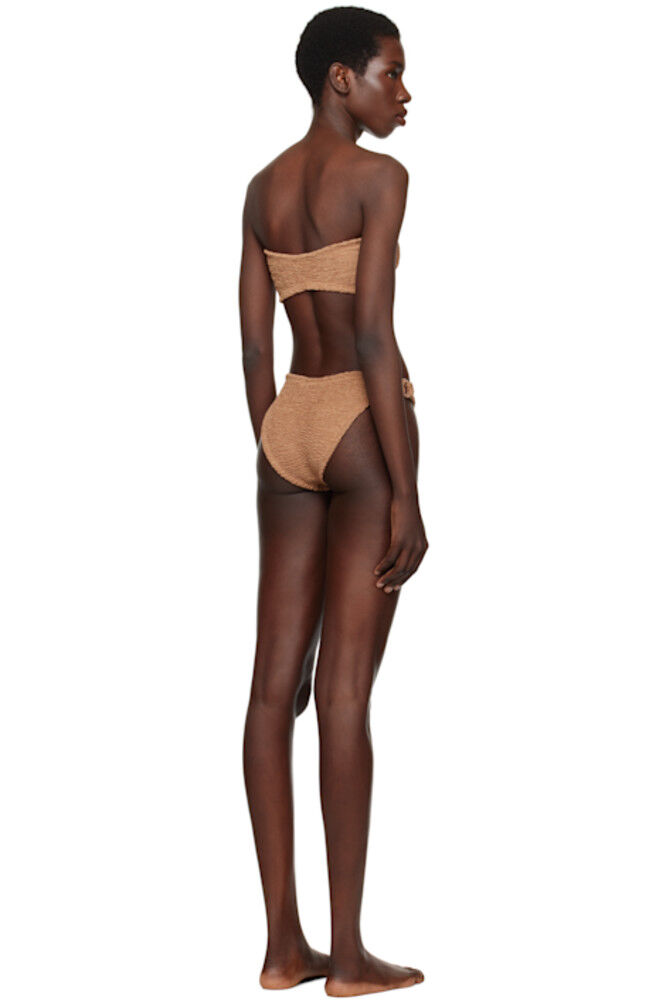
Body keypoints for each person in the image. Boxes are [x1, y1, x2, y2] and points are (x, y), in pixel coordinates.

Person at [239, 7, 428, 996]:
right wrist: (407, 494)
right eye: (392, 73)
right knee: (345, 694)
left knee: (273, 690)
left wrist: (277, 447)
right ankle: (348, 958)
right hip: (359, 422)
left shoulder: (263, 188)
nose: (405, 92)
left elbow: (253, 345)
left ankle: (283, 948)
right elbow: (373, 338)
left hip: (288, 427)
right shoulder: (379, 179)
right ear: (340, 79)